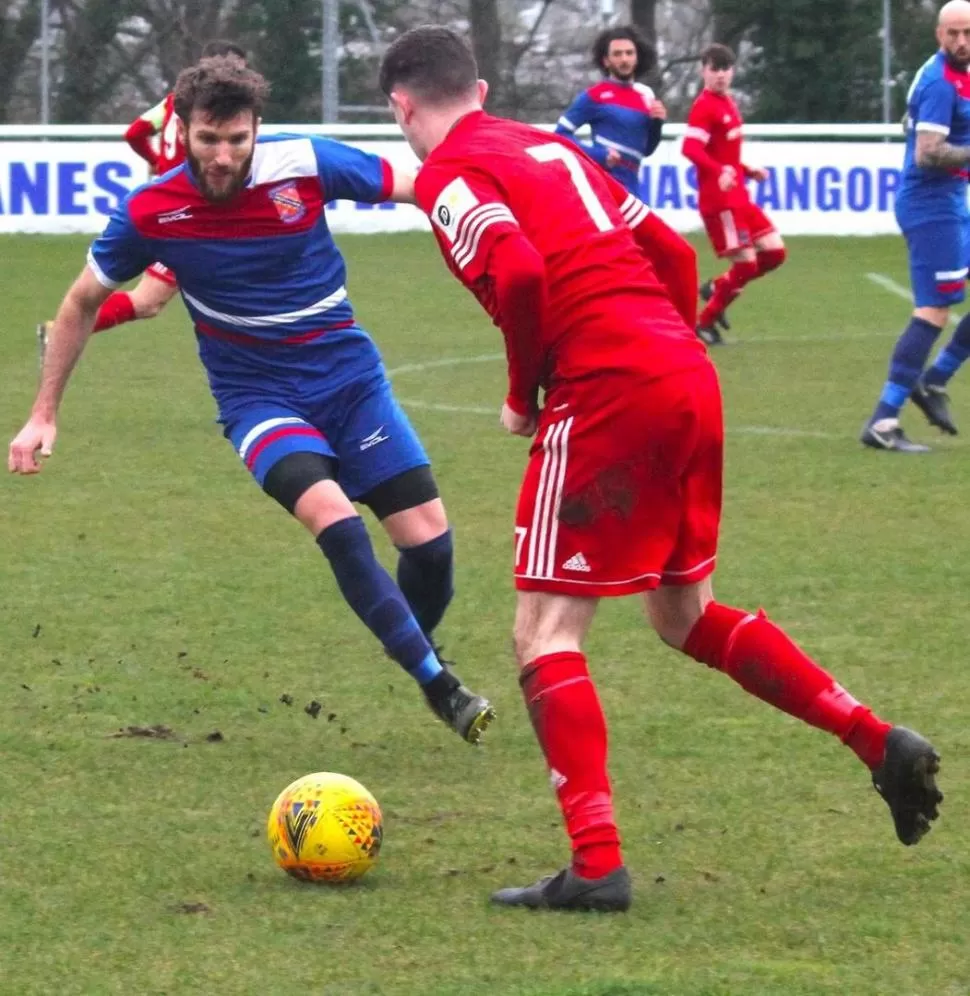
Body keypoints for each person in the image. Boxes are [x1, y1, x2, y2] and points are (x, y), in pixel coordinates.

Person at [378, 25, 943, 913]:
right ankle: (876, 740)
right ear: (481, 90)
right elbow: (676, 255)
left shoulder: (450, 173)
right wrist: (672, 347)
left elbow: (520, 273)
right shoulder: (549, 149)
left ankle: (597, 865)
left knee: (543, 635)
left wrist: (524, 393)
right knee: (684, 615)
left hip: (603, 385)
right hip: (685, 375)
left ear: (401, 107)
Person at [10, 57, 495, 746]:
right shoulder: (153, 210)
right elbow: (80, 301)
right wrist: (43, 412)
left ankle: (410, 642)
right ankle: (439, 685)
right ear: (183, 131)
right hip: (257, 398)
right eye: (209, 139)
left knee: (431, 547)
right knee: (335, 520)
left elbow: (420, 184)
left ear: (256, 130)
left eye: (237, 139)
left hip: (351, 384)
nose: (223, 155)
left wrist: (505, 218)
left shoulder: (302, 163)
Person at [36, 41, 248, 360]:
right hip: (188, 214)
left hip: (173, 206)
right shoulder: (228, 116)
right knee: (153, 299)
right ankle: (58, 332)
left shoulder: (171, 104)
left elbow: (135, 132)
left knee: (160, 299)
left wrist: (154, 161)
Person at [861, 0, 970, 452]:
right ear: (937, 35)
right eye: (953, 34)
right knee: (934, 310)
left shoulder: (960, 74)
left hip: (951, 201)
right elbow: (928, 151)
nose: (961, 42)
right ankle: (883, 421)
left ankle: (935, 380)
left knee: (938, 309)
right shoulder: (939, 82)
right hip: (930, 207)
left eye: (967, 33)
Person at [681, 44, 786, 345]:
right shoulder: (704, 106)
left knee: (775, 252)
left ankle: (717, 288)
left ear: (733, 72)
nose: (721, 75)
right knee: (747, 264)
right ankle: (704, 321)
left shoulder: (728, 102)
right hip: (720, 201)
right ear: (703, 71)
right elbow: (690, 148)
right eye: (714, 69)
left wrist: (746, 169)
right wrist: (720, 172)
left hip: (739, 196)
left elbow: (722, 153)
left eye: (726, 69)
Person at [554, 25, 666, 196]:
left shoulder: (646, 94)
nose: (624, 59)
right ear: (606, 60)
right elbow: (560, 135)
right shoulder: (594, 96)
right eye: (617, 54)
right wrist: (598, 155)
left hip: (633, 187)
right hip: (605, 185)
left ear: (637, 57)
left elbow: (646, 150)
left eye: (629, 53)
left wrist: (657, 123)